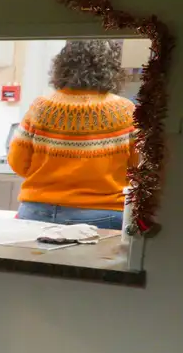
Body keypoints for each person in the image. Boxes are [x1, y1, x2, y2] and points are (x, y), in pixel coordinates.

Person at [8, 39, 136, 230]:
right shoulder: (125, 111)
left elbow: (17, 162)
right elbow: (139, 167)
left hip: (38, 212)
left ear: (61, 66)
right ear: (111, 69)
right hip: (103, 215)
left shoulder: (41, 108)